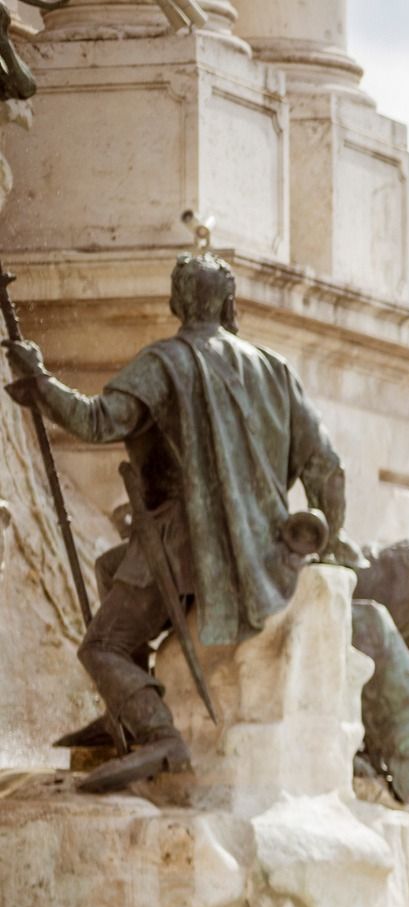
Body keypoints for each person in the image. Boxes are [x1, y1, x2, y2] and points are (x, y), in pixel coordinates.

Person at [4, 252, 347, 791]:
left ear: (174, 303)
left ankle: (160, 736)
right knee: (109, 565)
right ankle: (128, 703)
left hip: (190, 546)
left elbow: (96, 421)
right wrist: (329, 542)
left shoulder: (166, 362)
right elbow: (327, 467)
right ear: (230, 304)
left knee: (102, 647)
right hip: (262, 554)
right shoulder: (273, 367)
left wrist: (41, 382)